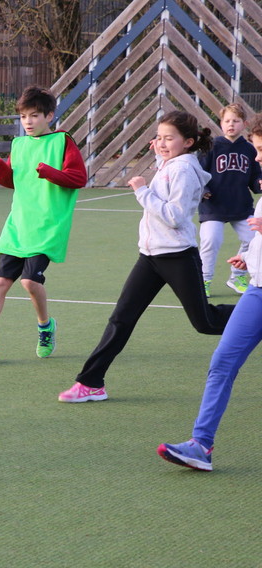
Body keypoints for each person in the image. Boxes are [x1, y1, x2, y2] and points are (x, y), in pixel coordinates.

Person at [59, 110, 235, 403]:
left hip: (178, 256)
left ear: (188, 142)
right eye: (159, 137)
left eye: (169, 138)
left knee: (205, 322)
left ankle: (255, 316)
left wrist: (142, 191)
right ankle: (90, 382)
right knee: (121, 318)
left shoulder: (182, 170)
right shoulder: (171, 163)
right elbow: (166, 180)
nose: (162, 143)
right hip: (150, 257)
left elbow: (175, 216)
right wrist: (159, 155)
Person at [158, 116, 262, 471]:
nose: (256, 158)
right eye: (256, 150)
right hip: (257, 293)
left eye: (261, 150)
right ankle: (201, 445)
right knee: (222, 363)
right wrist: (251, 257)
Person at [0, 86, 87, 363]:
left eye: (34, 115)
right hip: (18, 225)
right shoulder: (18, 145)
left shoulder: (62, 141)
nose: (28, 122)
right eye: (23, 116)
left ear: (49, 116)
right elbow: (12, 181)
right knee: (1, 282)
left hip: (47, 227)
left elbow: (78, 178)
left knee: (30, 282)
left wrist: (50, 172)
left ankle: (45, 326)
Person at [197, 103, 261, 297]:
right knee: (210, 241)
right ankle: (204, 280)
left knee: (254, 239)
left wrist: (259, 184)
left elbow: (255, 178)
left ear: (244, 124)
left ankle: (237, 277)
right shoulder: (211, 146)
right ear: (221, 123)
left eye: (236, 121)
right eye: (227, 121)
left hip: (240, 206)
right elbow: (198, 173)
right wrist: (204, 189)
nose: (231, 124)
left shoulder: (250, 149)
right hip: (213, 207)